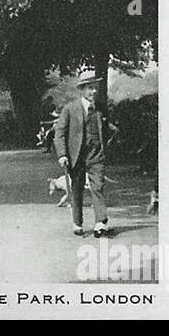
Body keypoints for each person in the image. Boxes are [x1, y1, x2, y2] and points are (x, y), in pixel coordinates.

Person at [54, 70, 118, 237]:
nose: (93, 91)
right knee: (76, 189)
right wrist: (62, 154)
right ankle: (77, 222)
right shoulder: (70, 109)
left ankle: (100, 223)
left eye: (95, 88)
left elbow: (105, 129)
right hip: (76, 156)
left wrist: (106, 143)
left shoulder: (101, 108)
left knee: (98, 187)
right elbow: (59, 132)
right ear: (82, 90)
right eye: (90, 88)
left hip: (96, 155)